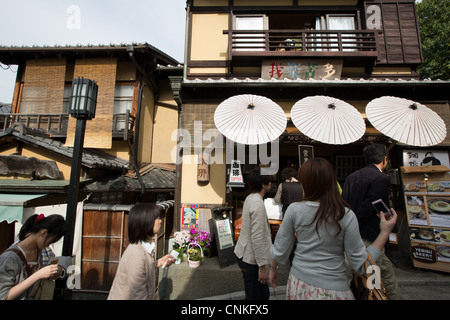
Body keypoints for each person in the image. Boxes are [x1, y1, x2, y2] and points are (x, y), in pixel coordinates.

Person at [269, 158, 397, 300]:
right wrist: (385, 231)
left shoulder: (294, 210)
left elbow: (280, 248)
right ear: (332, 182)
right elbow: (360, 264)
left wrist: (273, 269)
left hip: (299, 285)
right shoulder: (346, 215)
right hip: (335, 290)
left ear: (304, 183)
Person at [342, 144, 402, 299]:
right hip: (371, 234)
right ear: (385, 159)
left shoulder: (351, 177)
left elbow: (345, 204)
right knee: (375, 270)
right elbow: (371, 205)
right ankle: (373, 296)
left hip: (350, 233)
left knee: (368, 269)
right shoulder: (381, 178)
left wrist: (348, 226)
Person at [108, 203, 175, 300]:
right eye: (157, 218)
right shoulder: (136, 254)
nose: (160, 221)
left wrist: (157, 263)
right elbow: (138, 295)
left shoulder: (143, 247)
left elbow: (142, 269)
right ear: (147, 222)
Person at [0, 214, 68, 300]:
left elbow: (62, 259)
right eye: (50, 242)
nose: (49, 245)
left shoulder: (40, 252)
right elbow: (3, 296)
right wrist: (38, 275)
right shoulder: (8, 259)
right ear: (43, 233)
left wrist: (56, 272)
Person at [234, 167, 273, 300]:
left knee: (253, 293)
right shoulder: (258, 203)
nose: (271, 183)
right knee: (258, 296)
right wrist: (262, 267)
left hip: (244, 252)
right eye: (268, 181)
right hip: (251, 259)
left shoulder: (250, 198)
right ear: (263, 184)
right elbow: (257, 237)